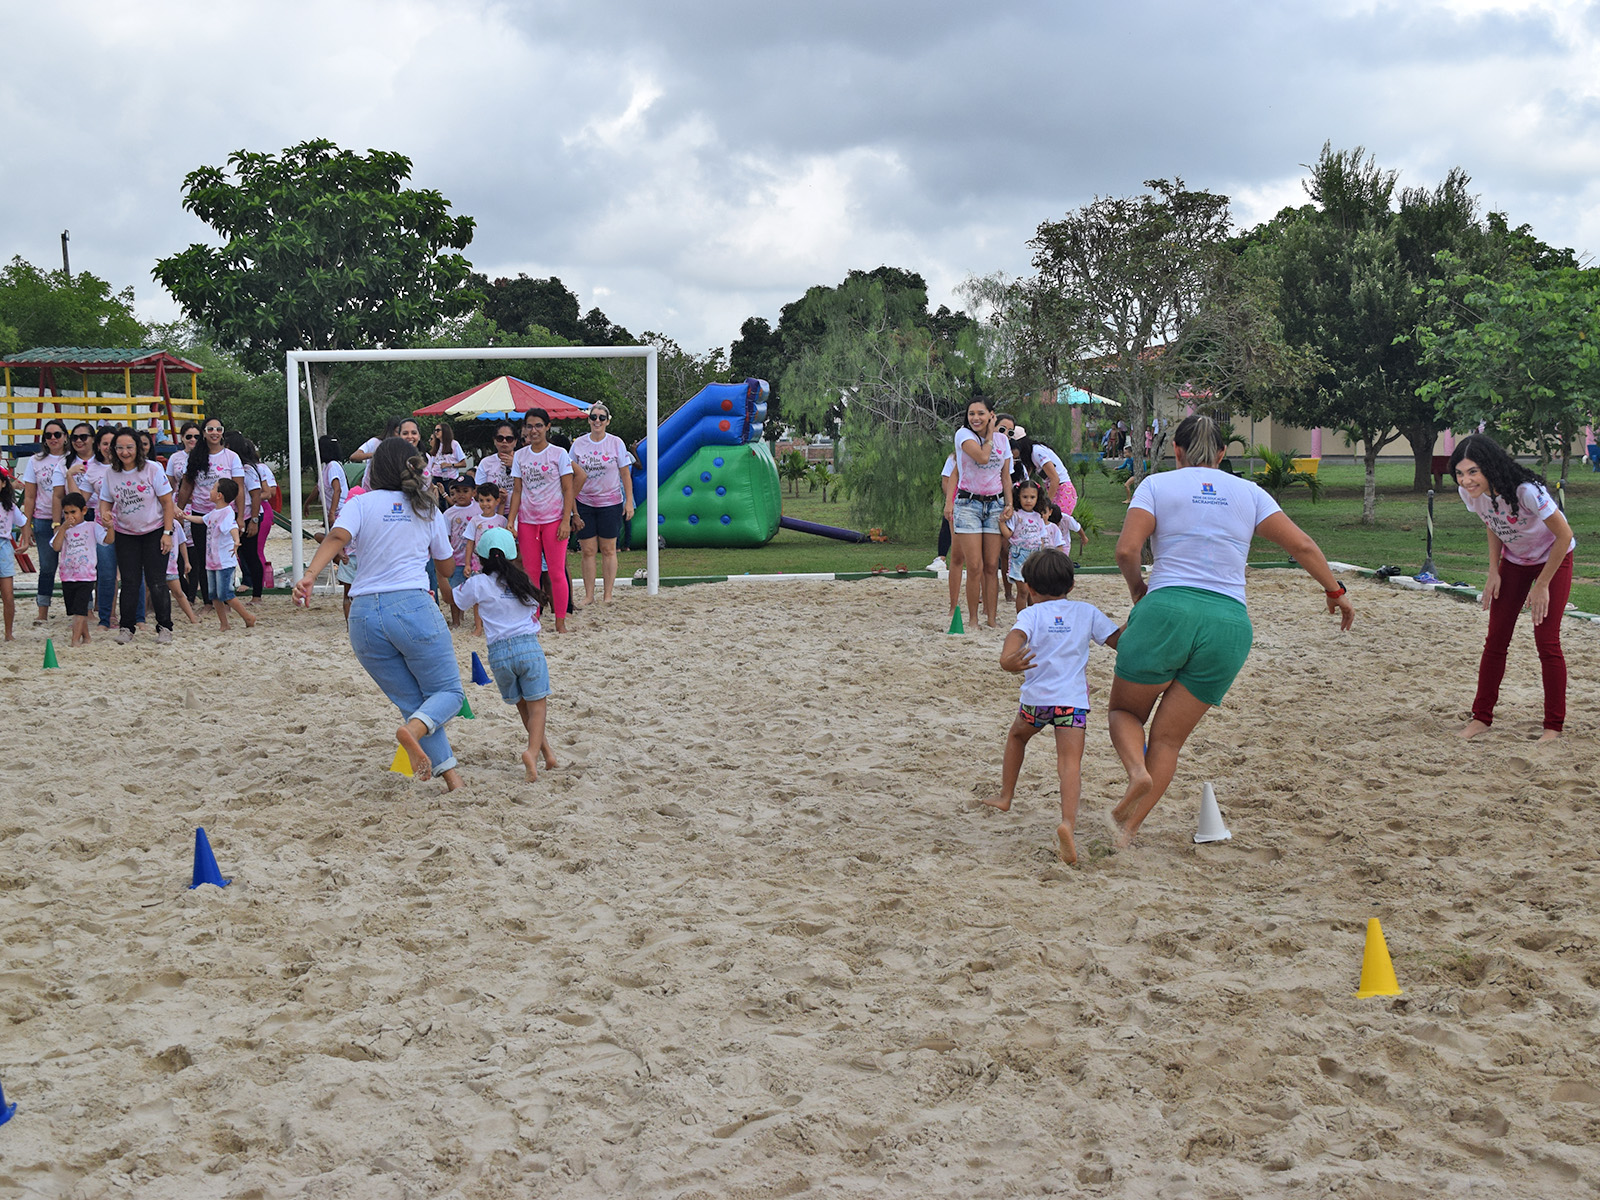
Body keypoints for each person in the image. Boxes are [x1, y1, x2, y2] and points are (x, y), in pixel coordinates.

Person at [1108, 414, 1354, 847]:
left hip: (1167, 610)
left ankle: (1136, 773)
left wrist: (1139, 592)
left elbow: (1127, 550)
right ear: (1223, 453)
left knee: (1125, 714)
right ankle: (1126, 830)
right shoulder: (1250, 493)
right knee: (1167, 741)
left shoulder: (1156, 485)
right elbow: (1301, 545)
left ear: (1176, 450)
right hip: (1229, 624)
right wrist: (1335, 590)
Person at [293, 438, 465, 790]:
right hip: (412, 607)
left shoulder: (361, 503)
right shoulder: (427, 509)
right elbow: (446, 568)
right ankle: (413, 734)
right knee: (449, 693)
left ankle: (452, 778)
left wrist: (310, 575)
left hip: (363, 616)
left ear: (374, 469)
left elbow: (336, 538)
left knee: (413, 703)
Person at [984, 548, 1121, 865]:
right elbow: (1119, 642)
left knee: (1017, 736)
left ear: (1029, 588)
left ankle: (1005, 796)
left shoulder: (1031, 614)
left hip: (1037, 702)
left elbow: (1014, 638)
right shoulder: (1086, 612)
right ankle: (1067, 824)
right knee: (1069, 763)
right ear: (1071, 585)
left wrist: (1007, 661)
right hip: (1072, 703)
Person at [1448, 433, 1576, 742]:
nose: (1466, 480)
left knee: (1547, 641)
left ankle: (1553, 726)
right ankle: (1481, 718)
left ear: (1490, 467)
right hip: (1515, 560)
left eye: (1473, 471)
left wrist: (1542, 584)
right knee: (1496, 639)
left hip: (1553, 559)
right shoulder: (1470, 493)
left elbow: (1564, 535)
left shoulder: (1526, 491)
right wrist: (1494, 569)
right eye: (1460, 473)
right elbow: (1493, 523)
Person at [453, 527, 559, 781]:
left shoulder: (478, 583)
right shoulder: (522, 582)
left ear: (481, 557)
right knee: (538, 707)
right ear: (512, 555)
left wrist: (441, 579)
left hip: (499, 654)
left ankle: (547, 754)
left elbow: (456, 601)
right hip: (528, 647)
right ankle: (532, 752)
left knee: (523, 707)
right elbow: (534, 608)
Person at [508, 408, 583, 634]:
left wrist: (566, 520)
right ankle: (534, 618)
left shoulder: (559, 454)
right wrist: (511, 521)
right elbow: (517, 490)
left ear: (547, 427)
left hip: (553, 520)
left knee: (556, 572)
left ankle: (560, 621)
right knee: (531, 573)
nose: (534, 430)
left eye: (539, 425)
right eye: (530, 426)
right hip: (528, 521)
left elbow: (568, 489)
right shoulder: (520, 456)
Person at [99, 428, 178, 644]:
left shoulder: (152, 469)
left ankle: (164, 627)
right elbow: (106, 501)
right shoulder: (111, 473)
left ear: (138, 448)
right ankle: (126, 627)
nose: (125, 452)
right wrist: (105, 515)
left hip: (154, 530)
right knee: (129, 582)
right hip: (126, 533)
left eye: (129, 447)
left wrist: (167, 533)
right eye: (120, 448)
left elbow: (167, 502)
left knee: (157, 581)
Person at [945, 399, 1012, 627]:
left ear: (991, 414)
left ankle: (991, 619)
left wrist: (1009, 503)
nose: (976, 418)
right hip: (969, 504)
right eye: (971, 413)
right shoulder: (964, 435)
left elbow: (1006, 476)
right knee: (975, 566)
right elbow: (982, 457)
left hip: (995, 504)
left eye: (981, 413)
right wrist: (990, 434)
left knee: (992, 566)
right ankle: (973, 620)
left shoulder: (1003, 441)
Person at [568, 403, 635, 605]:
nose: (597, 421)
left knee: (608, 549)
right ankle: (589, 595)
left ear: (607, 421)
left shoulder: (616, 442)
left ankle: (607, 595)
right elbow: (569, 474)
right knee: (588, 551)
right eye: (594, 417)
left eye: (601, 417)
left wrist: (629, 502)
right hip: (584, 502)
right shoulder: (578, 444)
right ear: (589, 420)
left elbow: (625, 474)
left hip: (610, 502)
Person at [178, 418, 246, 605]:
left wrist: (240, 517)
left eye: (218, 429)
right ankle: (209, 602)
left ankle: (226, 598)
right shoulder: (195, 456)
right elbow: (186, 486)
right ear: (204, 432)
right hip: (201, 513)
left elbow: (239, 488)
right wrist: (179, 511)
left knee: (225, 556)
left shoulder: (231, 457)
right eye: (210, 429)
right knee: (203, 557)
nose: (214, 433)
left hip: (224, 515)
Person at [184, 478, 256, 631]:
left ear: (219, 495)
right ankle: (224, 624)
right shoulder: (214, 513)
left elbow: (232, 527)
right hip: (212, 561)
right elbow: (202, 519)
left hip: (224, 562)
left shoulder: (227, 512)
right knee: (214, 595)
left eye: (213, 488)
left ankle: (248, 617)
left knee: (226, 594)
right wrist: (185, 516)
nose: (210, 491)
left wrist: (236, 540)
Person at [20, 418, 69, 625]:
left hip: (70, 518)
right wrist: (27, 525)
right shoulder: (35, 461)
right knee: (47, 567)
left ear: (65, 436)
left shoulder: (72, 458)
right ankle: (43, 611)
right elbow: (29, 496)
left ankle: (80, 610)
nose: (53, 438)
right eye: (48, 435)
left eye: (57, 434)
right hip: (43, 518)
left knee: (73, 566)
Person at [52, 494, 105, 647]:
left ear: (84, 510)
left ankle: (74, 640)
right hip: (67, 575)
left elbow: (107, 540)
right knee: (76, 609)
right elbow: (56, 547)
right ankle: (86, 637)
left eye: (73, 512)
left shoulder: (92, 526)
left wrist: (110, 527)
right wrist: (62, 528)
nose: (70, 516)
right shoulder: (63, 530)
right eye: (66, 513)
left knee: (80, 610)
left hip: (86, 575)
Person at [1003, 480, 1056, 612]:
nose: (1028, 500)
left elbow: (1041, 538)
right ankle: (1022, 619)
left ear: (1038, 498)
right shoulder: (1016, 515)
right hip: (1019, 555)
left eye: (1032, 497)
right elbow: (1008, 534)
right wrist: (1001, 522)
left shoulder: (1038, 517)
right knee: (1022, 591)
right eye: (1025, 497)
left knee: (1034, 590)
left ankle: (1033, 617)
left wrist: (1043, 555)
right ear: (1018, 497)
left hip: (1035, 556)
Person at [441, 477, 478, 626]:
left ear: (474, 492)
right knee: (455, 591)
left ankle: (478, 623)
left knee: (478, 592)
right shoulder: (448, 514)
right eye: (457, 491)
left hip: (476, 560)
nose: (460, 495)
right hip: (456, 559)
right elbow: (447, 538)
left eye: (465, 491)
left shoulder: (479, 509)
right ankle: (456, 621)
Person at [475, 422, 518, 517]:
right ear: (494, 440)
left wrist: (515, 465)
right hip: (493, 513)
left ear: (515, 441)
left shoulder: (523, 460)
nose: (504, 441)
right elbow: (479, 491)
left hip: (520, 512)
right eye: (500, 438)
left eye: (509, 439)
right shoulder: (486, 463)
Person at [351, 416, 403, 488]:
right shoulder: (375, 442)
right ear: (390, 431)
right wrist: (375, 454)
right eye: (397, 432)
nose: (400, 435)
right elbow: (354, 456)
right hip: (370, 487)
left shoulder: (402, 446)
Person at [0, 468, 22, 640]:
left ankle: (8, 633)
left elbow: (24, 522)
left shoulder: (9, 506)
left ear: (3, 484)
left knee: (8, 594)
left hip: (4, 547)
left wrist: (26, 542)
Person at [428, 421, 468, 498]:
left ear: (445, 431)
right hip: (436, 477)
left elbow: (463, 463)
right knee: (436, 500)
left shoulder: (454, 444)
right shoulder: (436, 445)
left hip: (449, 479)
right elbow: (432, 463)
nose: (436, 432)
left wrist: (449, 465)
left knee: (450, 499)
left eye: (438, 430)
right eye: (435, 430)